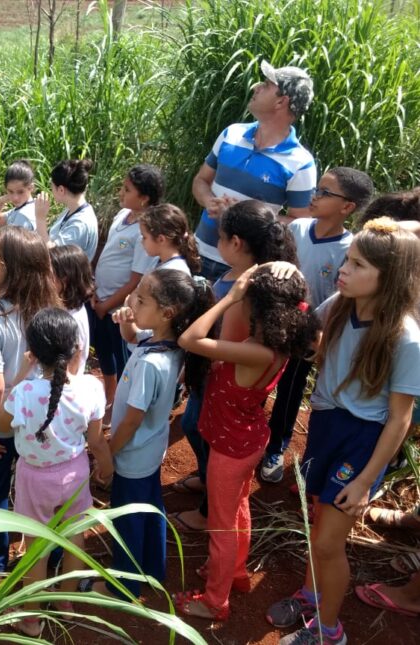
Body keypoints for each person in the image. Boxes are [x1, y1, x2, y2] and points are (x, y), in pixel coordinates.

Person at [267, 218, 420, 645]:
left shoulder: (406, 339)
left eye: (357, 264)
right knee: (319, 523)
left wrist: (366, 481)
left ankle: (330, 632)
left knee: (329, 543)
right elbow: (304, 332)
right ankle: (311, 594)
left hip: (362, 440)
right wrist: (287, 274)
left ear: (389, 277)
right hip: (325, 425)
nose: (343, 269)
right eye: (347, 260)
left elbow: (399, 419)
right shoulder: (340, 305)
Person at [174, 264, 318, 621]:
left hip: (231, 450)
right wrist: (283, 270)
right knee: (238, 509)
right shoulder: (274, 343)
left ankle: (215, 601)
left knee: (221, 526)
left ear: (261, 308)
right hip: (245, 440)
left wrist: (228, 299)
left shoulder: (257, 351)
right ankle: (234, 572)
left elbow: (189, 339)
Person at [171, 200, 297, 532]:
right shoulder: (245, 275)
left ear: (236, 243)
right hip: (215, 374)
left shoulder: (246, 292)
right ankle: (207, 477)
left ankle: (208, 507)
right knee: (194, 426)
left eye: (221, 237)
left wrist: (196, 365)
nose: (218, 242)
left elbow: (217, 349)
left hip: (219, 380)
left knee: (200, 429)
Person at [0, 307, 113, 637]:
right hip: (74, 473)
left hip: (34, 477)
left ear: (33, 353)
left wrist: (21, 375)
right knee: (75, 537)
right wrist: (107, 468)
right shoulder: (91, 387)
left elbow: (2, 426)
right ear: (78, 348)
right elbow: (95, 440)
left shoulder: (24, 392)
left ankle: (31, 619)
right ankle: (66, 600)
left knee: (35, 546)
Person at [102, 269, 212, 598]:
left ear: (167, 313)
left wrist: (108, 453)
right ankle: (152, 566)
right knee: (150, 507)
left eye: (141, 299)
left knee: (127, 518)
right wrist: (127, 320)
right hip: (150, 449)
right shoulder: (168, 344)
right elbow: (133, 337)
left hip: (131, 453)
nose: (132, 302)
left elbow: (132, 421)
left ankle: (124, 584)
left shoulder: (151, 364)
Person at [261, 168, 374, 483]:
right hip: (272, 322)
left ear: (347, 207)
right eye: (317, 189)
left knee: (290, 391)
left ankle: (276, 447)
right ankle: (249, 435)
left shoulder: (349, 248)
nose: (315, 196)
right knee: (258, 379)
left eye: (325, 192)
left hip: (305, 333)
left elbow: (341, 298)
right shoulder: (298, 227)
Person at [0, 226, 60, 572]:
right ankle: (51, 557)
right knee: (40, 490)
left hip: (2, 419)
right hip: (40, 416)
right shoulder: (49, 307)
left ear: (9, 268)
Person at [191, 61, 316, 282]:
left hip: (243, 272)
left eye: (266, 85)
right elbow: (201, 180)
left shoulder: (301, 163)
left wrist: (243, 216)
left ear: (281, 101)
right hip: (196, 253)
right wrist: (210, 201)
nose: (256, 87)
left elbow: (299, 223)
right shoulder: (231, 134)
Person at [89, 164, 165, 433]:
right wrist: (96, 293)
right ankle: (109, 397)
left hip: (119, 310)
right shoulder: (123, 215)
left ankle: (120, 407)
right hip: (101, 301)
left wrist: (107, 305)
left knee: (122, 360)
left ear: (144, 198)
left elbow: (136, 280)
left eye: (127, 189)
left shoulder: (146, 229)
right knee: (104, 354)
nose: (121, 192)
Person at [35, 159, 99, 261]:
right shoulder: (72, 209)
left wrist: (40, 219)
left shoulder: (80, 224)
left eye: (52, 186)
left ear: (61, 190)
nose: (51, 190)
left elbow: (53, 255)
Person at [48, 245, 92, 377]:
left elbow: (71, 369)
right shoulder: (60, 307)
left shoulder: (73, 320)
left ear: (65, 279)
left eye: (48, 274)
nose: (43, 278)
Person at [139, 203, 202, 276]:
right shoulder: (159, 261)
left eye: (144, 237)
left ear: (161, 239)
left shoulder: (173, 273)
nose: (141, 241)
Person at [0, 160, 37, 231]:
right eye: (10, 191)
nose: (15, 198)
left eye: (20, 192)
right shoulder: (22, 208)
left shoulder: (23, 215)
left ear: (31, 187)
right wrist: (1, 203)